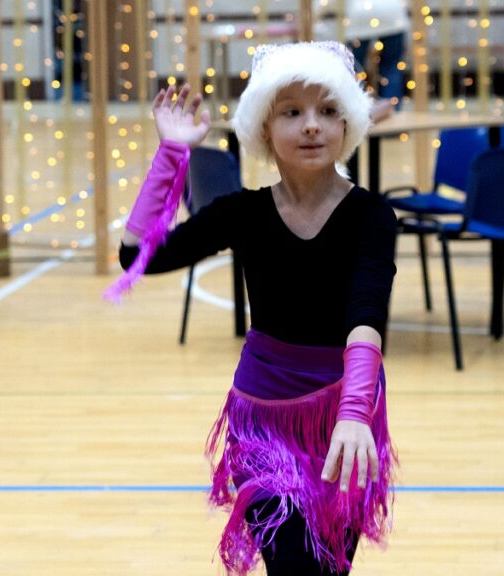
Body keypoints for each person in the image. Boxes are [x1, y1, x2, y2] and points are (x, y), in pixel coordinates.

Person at [107, 41, 398, 576]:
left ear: (347, 124)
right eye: (292, 112)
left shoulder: (371, 215)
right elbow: (137, 255)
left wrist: (355, 412)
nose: (312, 126)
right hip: (264, 422)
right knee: (294, 567)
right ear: (264, 127)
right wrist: (172, 153)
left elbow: (367, 311)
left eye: (328, 110)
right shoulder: (242, 212)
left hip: (344, 413)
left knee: (329, 569)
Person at [315, 0, 410, 111]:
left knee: (354, 68)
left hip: (359, 16)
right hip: (393, 13)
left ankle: (355, 110)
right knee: (391, 67)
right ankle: (392, 110)